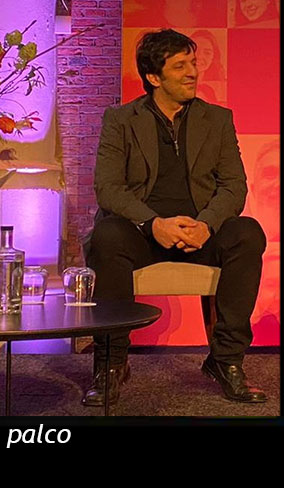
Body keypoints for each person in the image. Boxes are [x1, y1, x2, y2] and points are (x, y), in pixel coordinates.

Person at [84, 29, 267, 406]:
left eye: (193, 63)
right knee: (108, 234)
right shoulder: (121, 119)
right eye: (180, 66)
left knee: (248, 232)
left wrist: (207, 225)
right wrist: (154, 224)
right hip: (143, 235)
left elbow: (234, 186)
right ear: (154, 77)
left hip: (200, 234)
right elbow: (109, 188)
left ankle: (227, 360)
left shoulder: (217, 119)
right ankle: (111, 364)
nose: (192, 72)